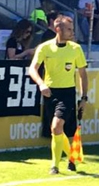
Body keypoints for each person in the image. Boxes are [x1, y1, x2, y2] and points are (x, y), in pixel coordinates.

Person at [27, 15, 88, 175]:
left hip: (67, 93)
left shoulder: (75, 49)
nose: (72, 32)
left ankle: (54, 165)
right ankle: (72, 157)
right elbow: (32, 69)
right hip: (50, 92)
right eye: (69, 29)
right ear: (57, 29)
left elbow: (82, 74)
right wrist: (41, 84)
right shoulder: (45, 48)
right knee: (55, 130)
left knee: (56, 125)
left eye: (72, 29)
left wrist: (84, 97)